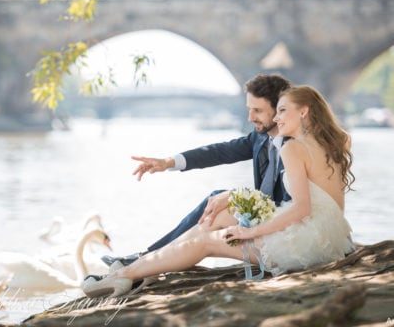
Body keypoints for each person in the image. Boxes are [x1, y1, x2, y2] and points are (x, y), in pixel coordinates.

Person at [83, 85, 356, 297]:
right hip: (330, 239)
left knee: (204, 241)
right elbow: (325, 208)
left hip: (303, 245)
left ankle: (127, 274)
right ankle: (141, 269)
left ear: (304, 111)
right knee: (215, 219)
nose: (276, 117)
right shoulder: (333, 142)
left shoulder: (293, 147)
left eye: (282, 110)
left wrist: (251, 231)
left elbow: (302, 208)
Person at [101, 73, 292, 267]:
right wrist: (168, 162)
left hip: (286, 227)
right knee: (216, 199)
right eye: (249, 109)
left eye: (257, 110)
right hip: (265, 217)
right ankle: (148, 258)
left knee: (221, 202)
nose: (250, 117)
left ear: (279, 109)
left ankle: (147, 261)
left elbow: (288, 204)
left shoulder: (297, 146)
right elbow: (218, 152)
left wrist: (237, 195)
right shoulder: (260, 138)